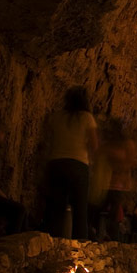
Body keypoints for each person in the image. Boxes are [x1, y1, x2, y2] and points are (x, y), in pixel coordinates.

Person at [44, 86, 98, 239]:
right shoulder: (87, 118)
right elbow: (94, 145)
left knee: (55, 208)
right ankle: (80, 247)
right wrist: (91, 163)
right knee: (80, 209)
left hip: (56, 163)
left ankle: (50, 243)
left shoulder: (56, 116)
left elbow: (49, 139)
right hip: (78, 164)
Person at [90, 118, 137, 241]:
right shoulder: (113, 144)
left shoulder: (125, 145)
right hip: (107, 182)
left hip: (117, 184)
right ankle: (99, 234)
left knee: (113, 212)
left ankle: (111, 237)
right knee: (99, 208)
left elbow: (128, 161)